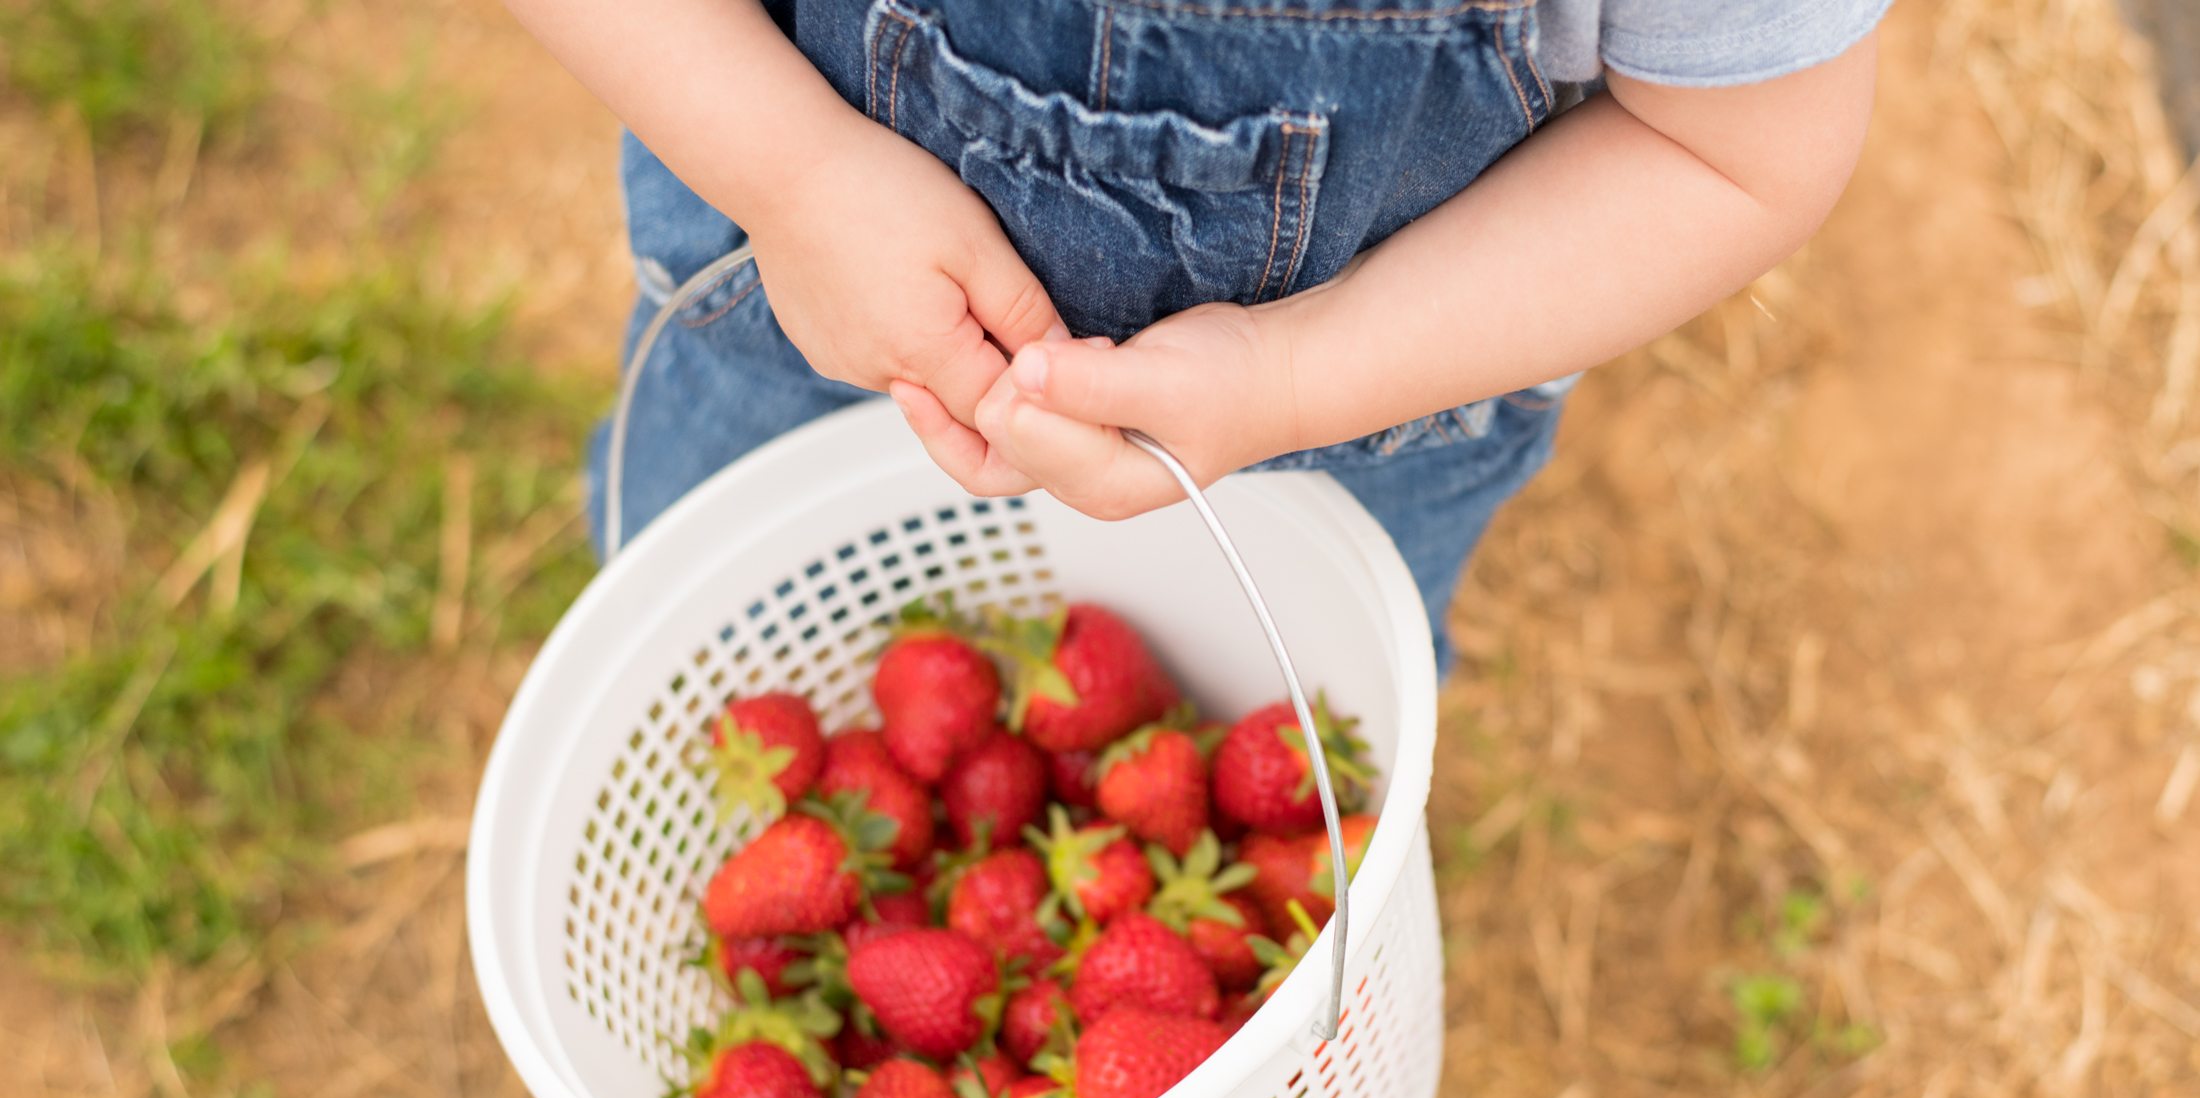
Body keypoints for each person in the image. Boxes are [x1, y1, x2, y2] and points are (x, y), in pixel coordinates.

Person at [508, 0, 1885, 672]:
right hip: (799, 314)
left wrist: (1299, 373)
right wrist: (793, 173)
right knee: (730, 651)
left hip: (1342, 423)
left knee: (1259, 715)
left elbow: (1730, 153)